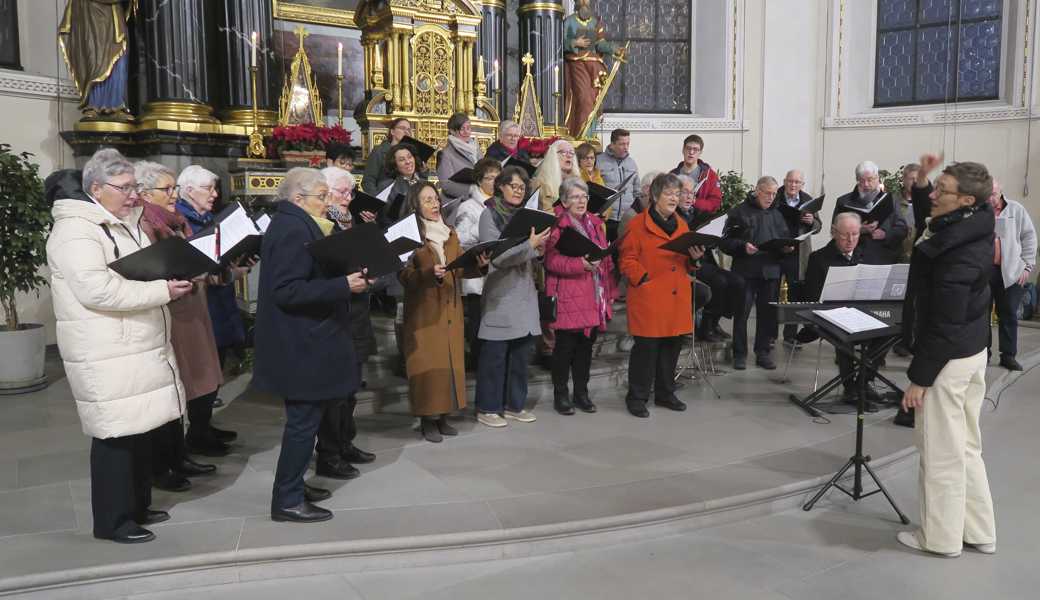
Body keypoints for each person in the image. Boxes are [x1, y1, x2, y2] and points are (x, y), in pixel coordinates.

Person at [46, 148, 191, 543]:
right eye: (125, 188)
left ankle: (137, 505)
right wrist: (163, 290)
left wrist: (169, 275)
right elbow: (97, 291)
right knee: (115, 435)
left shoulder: (123, 222)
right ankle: (112, 521)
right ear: (96, 188)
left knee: (140, 429)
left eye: (135, 187)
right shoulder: (76, 229)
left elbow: (140, 271)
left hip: (135, 340)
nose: (133, 195)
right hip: (105, 346)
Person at [253, 168, 370, 523]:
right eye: (322, 196)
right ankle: (287, 499)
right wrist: (341, 287)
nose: (328, 201)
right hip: (301, 341)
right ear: (298, 199)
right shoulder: (291, 228)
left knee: (307, 421)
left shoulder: (297, 223)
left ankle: (294, 486)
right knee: (303, 424)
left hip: (308, 338)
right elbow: (286, 290)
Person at [897, 156, 997, 558]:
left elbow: (944, 322)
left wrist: (920, 378)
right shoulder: (973, 221)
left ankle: (939, 538)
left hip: (949, 359)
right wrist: (921, 183)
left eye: (943, 190)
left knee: (940, 451)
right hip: (971, 351)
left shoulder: (957, 253)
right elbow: (933, 221)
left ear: (966, 199)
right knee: (967, 446)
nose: (934, 194)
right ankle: (979, 530)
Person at [135, 162, 222, 492]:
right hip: (173, 315)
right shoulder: (146, 224)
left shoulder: (174, 221)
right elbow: (149, 270)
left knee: (185, 388)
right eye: (167, 190)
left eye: (174, 188)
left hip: (192, 309)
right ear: (145, 194)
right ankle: (164, 464)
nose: (173, 195)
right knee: (172, 391)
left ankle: (179, 453)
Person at [400, 182, 487, 442]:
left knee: (450, 363)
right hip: (424, 310)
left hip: (451, 306)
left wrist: (478, 265)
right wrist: (429, 273)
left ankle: (444, 415)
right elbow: (403, 275)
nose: (434, 204)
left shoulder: (449, 232)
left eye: (435, 199)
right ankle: (427, 419)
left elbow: (459, 266)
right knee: (427, 363)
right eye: (427, 200)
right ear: (415, 206)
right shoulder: (409, 236)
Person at [619, 173, 705, 418]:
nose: (674, 198)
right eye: (669, 193)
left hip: (676, 295)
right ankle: (637, 396)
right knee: (646, 350)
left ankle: (665, 393)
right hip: (649, 296)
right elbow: (626, 260)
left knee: (671, 348)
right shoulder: (636, 225)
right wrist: (644, 279)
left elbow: (687, 262)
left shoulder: (682, 225)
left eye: (677, 194)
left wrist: (694, 260)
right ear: (655, 196)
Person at [174, 166, 242, 456]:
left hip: (218, 299)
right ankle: (197, 433)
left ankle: (205, 426)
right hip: (199, 303)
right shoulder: (182, 220)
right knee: (200, 372)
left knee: (214, 368)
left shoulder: (205, 217)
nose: (215, 194)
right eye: (209, 189)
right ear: (188, 190)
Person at [314, 167, 377, 479]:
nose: (348, 198)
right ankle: (328, 453)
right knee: (334, 393)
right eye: (342, 192)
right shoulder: (319, 228)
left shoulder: (347, 224)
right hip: (333, 319)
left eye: (350, 193)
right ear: (323, 192)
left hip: (356, 315)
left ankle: (345, 443)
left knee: (350, 389)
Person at [475, 166, 550, 428]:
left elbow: (531, 255)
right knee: (494, 359)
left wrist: (539, 249)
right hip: (501, 295)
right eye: (513, 186)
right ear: (500, 187)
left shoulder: (526, 217)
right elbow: (497, 257)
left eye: (522, 187)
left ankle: (514, 405)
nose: (518, 190)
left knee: (520, 357)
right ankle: (488, 407)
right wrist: (529, 246)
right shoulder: (489, 215)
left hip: (525, 293)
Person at [544, 178, 617, 415]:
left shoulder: (595, 223)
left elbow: (603, 255)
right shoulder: (557, 225)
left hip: (593, 294)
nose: (580, 201)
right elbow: (550, 260)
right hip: (568, 293)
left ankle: (581, 394)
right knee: (565, 349)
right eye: (575, 197)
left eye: (584, 197)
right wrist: (579, 264)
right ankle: (561, 395)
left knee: (586, 349)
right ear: (564, 201)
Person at [801, 212, 886, 411]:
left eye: (855, 234)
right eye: (845, 234)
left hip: (862, 314)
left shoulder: (865, 255)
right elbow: (812, 297)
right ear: (833, 233)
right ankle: (850, 388)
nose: (850, 240)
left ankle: (863, 382)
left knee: (887, 333)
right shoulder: (818, 259)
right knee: (844, 333)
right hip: (830, 316)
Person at [720, 176, 793, 370]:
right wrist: (743, 246)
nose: (771, 197)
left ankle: (763, 352)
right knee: (741, 314)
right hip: (745, 270)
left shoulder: (777, 214)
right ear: (757, 191)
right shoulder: (738, 212)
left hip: (770, 270)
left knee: (767, 314)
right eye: (767, 193)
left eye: (774, 193)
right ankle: (740, 354)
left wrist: (786, 247)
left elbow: (784, 237)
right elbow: (725, 243)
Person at [454, 158, 500, 367]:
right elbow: (461, 238)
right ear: (480, 181)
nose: (495, 181)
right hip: (477, 275)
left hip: (498, 272)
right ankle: (478, 357)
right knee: (478, 320)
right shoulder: (468, 206)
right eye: (490, 178)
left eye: (498, 177)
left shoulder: (502, 203)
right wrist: (485, 226)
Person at [987, 178, 1037, 371]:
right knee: (981, 314)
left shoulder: (1016, 209)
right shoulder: (980, 211)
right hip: (985, 270)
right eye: (988, 194)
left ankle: (1008, 355)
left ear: (1000, 192)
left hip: (1012, 271)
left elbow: (1029, 237)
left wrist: (1027, 267)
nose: (991, 198)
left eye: (994, 194)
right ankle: (984, 354)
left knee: (1008, 313)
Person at [58, 0, 135, 120]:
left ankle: (116, 105)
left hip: (113, 14)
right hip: (89, 11)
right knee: (93, 57)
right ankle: (94, 105)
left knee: (117, 55)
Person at [774, 169, 822, 346]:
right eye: (790, 181)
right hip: (777, 252)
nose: (793, 185)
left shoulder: (808, 200)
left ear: (802, 184)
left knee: (795, 296)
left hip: (798, 253)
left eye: (797, 182)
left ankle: (790, 335)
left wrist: (812, 222)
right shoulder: (775, 196)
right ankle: (771, 335)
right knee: (772, 293)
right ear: (784, 181)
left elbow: (818, 227)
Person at [833, 161, 909, 265]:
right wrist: (859, 229)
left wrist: (885, 235)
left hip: (884, 257)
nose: (866, 184)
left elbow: (902, 229)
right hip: (853, 258)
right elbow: (834, 231)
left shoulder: (890, 200)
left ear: (878, 178)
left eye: (870, 180)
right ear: (857, 180)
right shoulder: (844, 201)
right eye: (862, 180)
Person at [562, 0, 620, 137]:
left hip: (594, 66)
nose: (584, 2)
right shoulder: (569, 21)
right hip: (577, 63)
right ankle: (580, 135)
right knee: (583, 98)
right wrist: (575, 42)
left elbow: (600, 43)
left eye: (586, 0)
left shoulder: (595, 22)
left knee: (595, 100)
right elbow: (559, 41)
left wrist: (614, 49)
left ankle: (589, 135)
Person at [437, 112, 483, 219]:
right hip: (457, 206)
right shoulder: (445, 154)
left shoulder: (476, 150)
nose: (467, 132)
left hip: (478, 202)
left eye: (469, 128)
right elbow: (446, 185)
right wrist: (472, 190)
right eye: (462, 129)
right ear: (452, 131)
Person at [376, 143, 428, 226]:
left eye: (409, 157)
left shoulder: (422, 182)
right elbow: (385, 219)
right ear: (395, 165)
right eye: (401, 160)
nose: (408, 161)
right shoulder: (387, 186)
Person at [668, 134, 723, 213]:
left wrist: (694, 202)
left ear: (700, 152)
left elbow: (715, 203)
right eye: (688, 148)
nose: (691, 152)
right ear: (683, 150)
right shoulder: (672, 175)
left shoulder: (710, 175)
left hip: (700, 222)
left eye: (695, 149)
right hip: (675, 221)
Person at [362, 117, 413, 193]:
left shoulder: (411, 153)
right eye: (402, 128)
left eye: (408, 129)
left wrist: (423, 170)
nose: (406, 132)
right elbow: (368, 180)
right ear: (392, 131)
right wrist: (377, 199)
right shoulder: (379, 151)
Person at [596, 129, 640, 214]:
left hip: (627, 217)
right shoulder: (599, 161)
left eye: (628, 144)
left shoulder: (632, 163)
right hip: (607, 216)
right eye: (622, 144)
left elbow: (637, 191)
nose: (626, 147)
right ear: (612, 144)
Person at [530, 139, 581, 210]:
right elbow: (548, 213)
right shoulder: (542, 182)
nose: (569, 156)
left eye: (571, 153)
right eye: (563, 152)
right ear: (553, 156)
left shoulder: (577, 182)